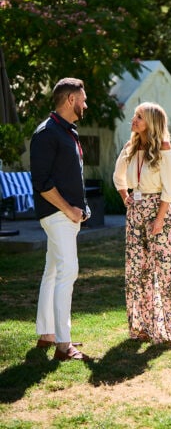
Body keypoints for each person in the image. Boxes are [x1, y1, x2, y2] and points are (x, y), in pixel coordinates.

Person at [113, 102, 171, 344]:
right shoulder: (130, 146)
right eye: (135, 115)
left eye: (140, 117)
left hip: (160, 211)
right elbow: (118, 176)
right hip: (135, 210)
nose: (134, 120)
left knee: (166, 269)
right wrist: (125, 197)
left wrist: (159, 219)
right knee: (138, 270)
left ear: (152, 123)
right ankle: (143, 327)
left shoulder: (165, 148)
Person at [30, 78, 92, 361]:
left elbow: (72, 175)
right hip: (57, 215)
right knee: (68, 271)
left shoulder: (67, 131)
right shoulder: (47, 133)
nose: (85, 104)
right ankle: (64, 345)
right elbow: (42, 183)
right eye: (83, 99)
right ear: (70, 100)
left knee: (53, 271)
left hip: (66, 215)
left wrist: (82, 207)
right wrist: (69, 209)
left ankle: (47, 334)